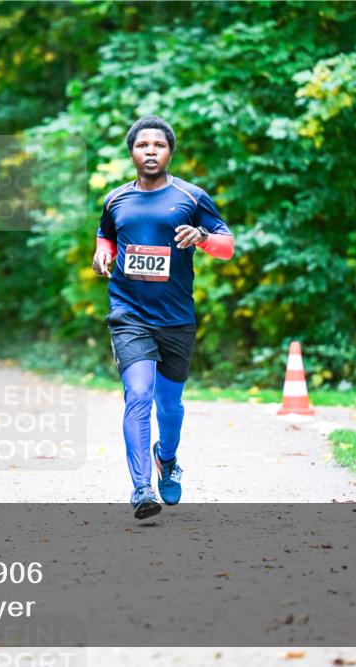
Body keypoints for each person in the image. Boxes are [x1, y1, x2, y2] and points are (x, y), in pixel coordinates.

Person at [92, 116, 235, 520]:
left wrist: (202, 238)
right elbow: (106, 235)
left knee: (169, 406)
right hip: (129, 313)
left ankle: (166, 458)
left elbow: (227, 246)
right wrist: (102, 252)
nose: (150, 150)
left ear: (170, 152)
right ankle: (140, 488)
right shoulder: (116, 200)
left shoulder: (191, 197)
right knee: (137, 395)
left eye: (159, 144)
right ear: (132, 153)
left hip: (175, 318)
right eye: (142, 145)